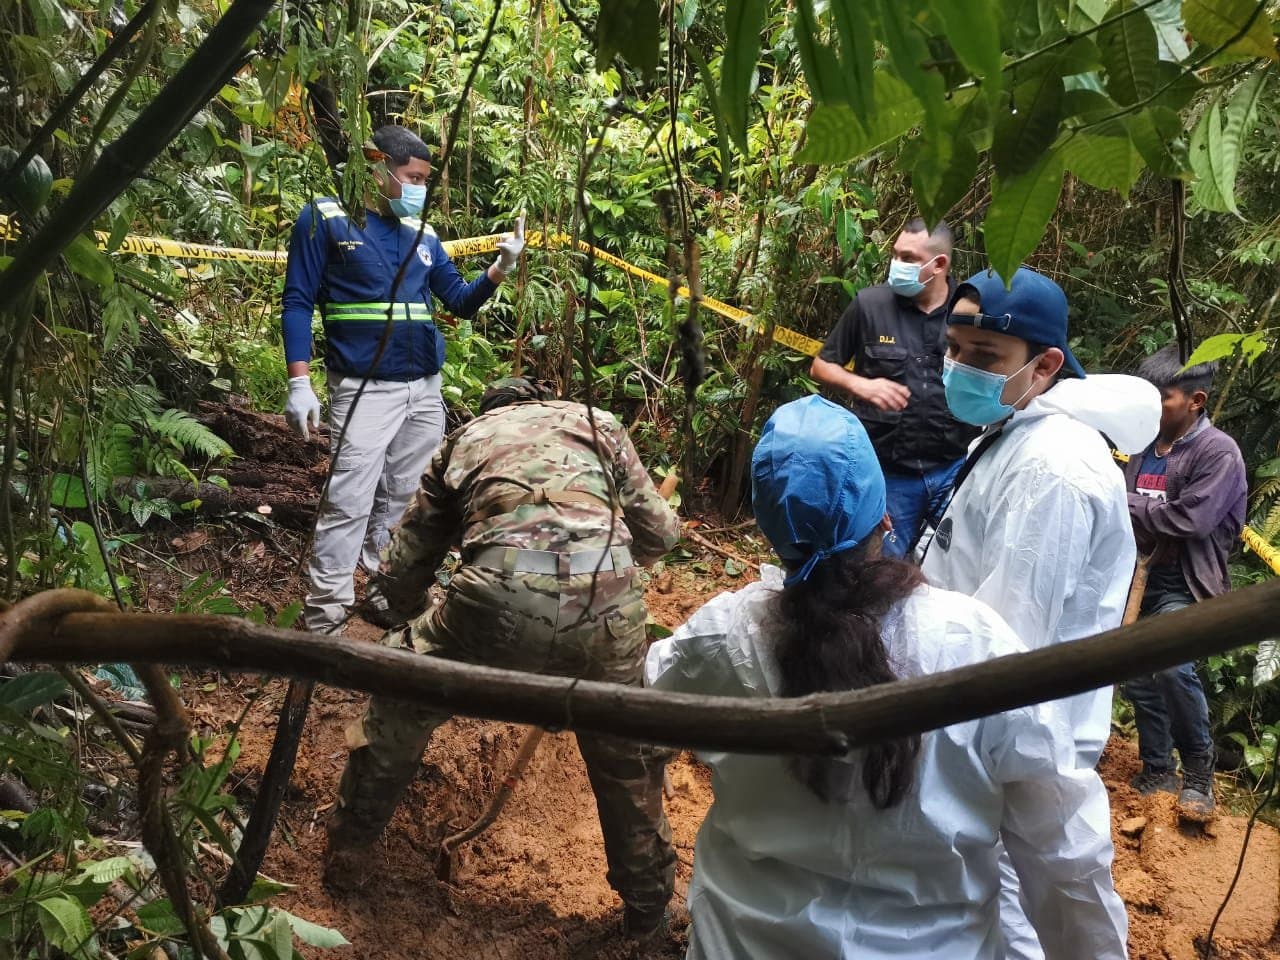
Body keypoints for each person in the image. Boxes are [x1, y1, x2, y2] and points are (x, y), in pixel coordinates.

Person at [645, 395, 1128, 960]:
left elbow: (643, 702)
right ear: (885, 517)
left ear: (770, 531)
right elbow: (1064, 850)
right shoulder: (973, 646)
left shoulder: (721, 637)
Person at [323, 377, 679, 941]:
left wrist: (417, 616)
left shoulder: (464, 440)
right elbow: (661, 534)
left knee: (401, 693)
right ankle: (649, 908)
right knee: (625, 752)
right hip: (609, 604)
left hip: (494, 601)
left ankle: (348, 855)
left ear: (492, 410)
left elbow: (403, 570)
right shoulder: (598, 422)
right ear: (542, 399)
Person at [920, 266, 1160, 960]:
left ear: (1046, 364)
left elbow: (1007, 639)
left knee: (1037, 912)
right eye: (954, 349)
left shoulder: (1053, 469)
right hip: (987, 729)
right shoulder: (1016, 428)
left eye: (984, 358)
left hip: (1014, 740)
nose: (959, 368)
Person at [280, 124, 525, 633]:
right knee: (349, 499)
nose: (420, 188)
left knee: (405, 497)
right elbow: (298, 300)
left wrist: (500, 268)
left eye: (425, 180)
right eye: (413, 177)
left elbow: (458, 300)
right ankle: (324, 612)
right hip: (365, 388)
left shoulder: (424, 234)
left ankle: (383, 587)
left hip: (423, 389)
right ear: (379, 169)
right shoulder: (325, 218)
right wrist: (299, 381)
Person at [1123, 344, 1246, 818]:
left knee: (1172, 667)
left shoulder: (1220, 453)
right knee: (1135, 673)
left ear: (1196, 400)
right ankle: (1158, 768)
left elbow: (1189, 520)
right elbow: (1149, 518)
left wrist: (1129, 504)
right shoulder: (1142, 449)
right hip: (1139, 579)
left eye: (1162, 398)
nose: (1152, 407)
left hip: (1187, 582)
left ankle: (1200, 775)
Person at [810, 218, 979, 557]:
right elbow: (820, 365)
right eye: (896, 255)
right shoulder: (870, 305)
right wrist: (861, 385)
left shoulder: (969, 310)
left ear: (939, 265)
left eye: (908, 258)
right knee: (881, 570)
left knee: (952, 566)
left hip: (954, 467)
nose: (896, 265)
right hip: (888, 473)